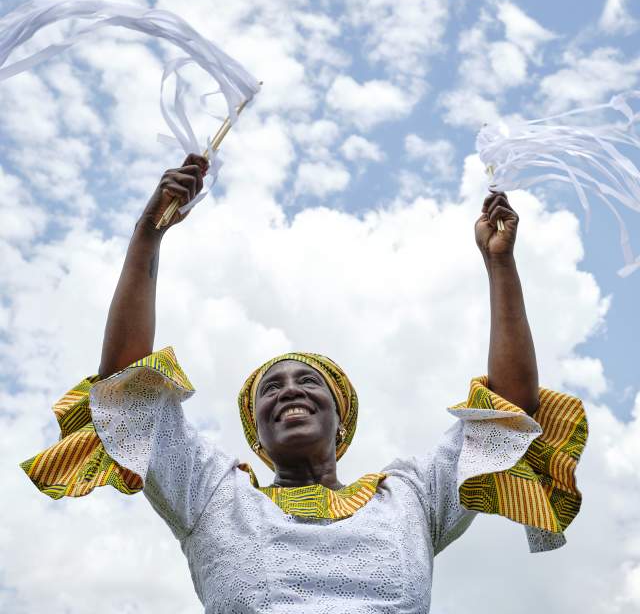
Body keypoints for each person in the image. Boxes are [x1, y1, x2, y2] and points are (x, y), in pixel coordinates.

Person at [22, 154, 587, 613]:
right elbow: (126, 387)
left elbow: (508, 412)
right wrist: (149, 235)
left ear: (340, 418)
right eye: (269, 389)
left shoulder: (410, 498)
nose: (287, 390)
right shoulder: (215, 496)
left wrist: (500, 267)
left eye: (307, 381)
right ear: (256, 433)